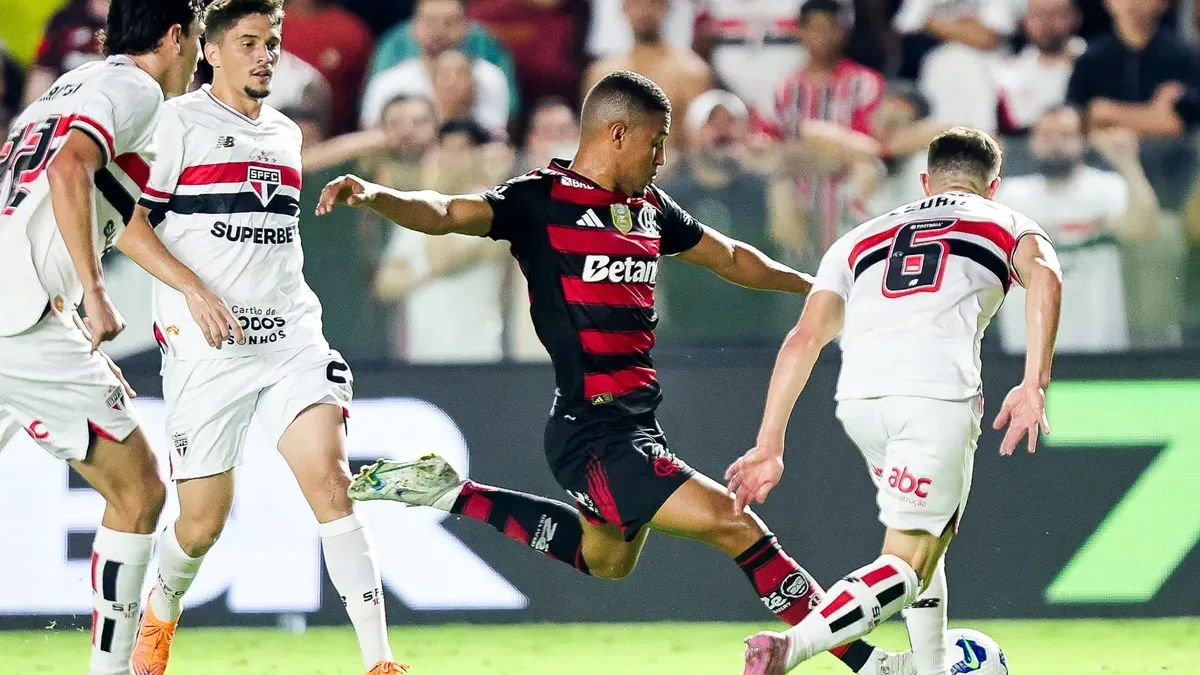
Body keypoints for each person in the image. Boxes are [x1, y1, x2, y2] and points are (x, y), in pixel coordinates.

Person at [320, 70, 915, 675]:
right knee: (734, 524)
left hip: (634, 425)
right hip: (593, 433)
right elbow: (447, 212)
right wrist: (375, 195)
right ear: (618, 134)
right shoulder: (539, 200)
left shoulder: (648, 208)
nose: (661, 158)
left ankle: (450, 492)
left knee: (605, 561)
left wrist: (819, 289)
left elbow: (733, 257)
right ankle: (870, 664)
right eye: (656, 143)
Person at [118, 2, 404, 675]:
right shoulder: (175, 124)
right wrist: (193, 288)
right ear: (210, 52)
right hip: (207, 351)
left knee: (331, 481)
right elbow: (126, 222)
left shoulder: (283, 132)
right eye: (247, 42)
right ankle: (160, 610)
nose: (264, 55)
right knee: (201, 524)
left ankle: (381, 661)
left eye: (271, 42)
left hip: (290, 340)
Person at [734, 127, 1064, 675]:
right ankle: (791, 647)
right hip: (935, 394)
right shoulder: (1005, 221)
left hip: (863, 402)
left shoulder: (858, 238)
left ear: (925, 181)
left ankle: (928, 666)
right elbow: (1046, 278)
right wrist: (1035, 383)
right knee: (907, 562)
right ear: (993, 186)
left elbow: (804, 338)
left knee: (925, 538)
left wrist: (769, 443)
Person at [0, 3, 210, 674]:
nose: (199, 57)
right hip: (19, 316)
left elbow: (70, 202)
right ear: (174, 36)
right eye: (198, 39)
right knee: (139, 491)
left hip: (19, 305)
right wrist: (94, 293)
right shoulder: (135, 88)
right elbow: (69, 169)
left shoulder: (67, 88)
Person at [996, 106, 1158, 353]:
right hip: (1026, 349)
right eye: (1046, 135)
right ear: (1031, 142)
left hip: (1098, 342)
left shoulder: (1106, 188)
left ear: (1083, 141)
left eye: (1066, 135)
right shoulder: (1010, 196)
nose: (1055, 143)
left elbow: (1142, 228)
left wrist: (1128, 164)